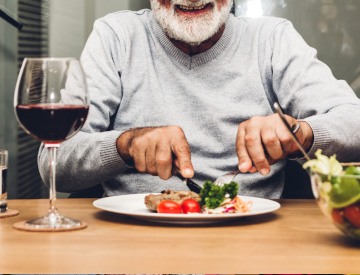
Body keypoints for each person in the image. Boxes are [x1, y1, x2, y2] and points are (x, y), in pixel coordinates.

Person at [38, 0, 360, 199]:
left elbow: (354, 120)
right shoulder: (116, 37)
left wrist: (299, 133)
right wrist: (125, 145)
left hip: (253, 241)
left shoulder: (273, 39)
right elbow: (55, 160)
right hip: (132, 241)